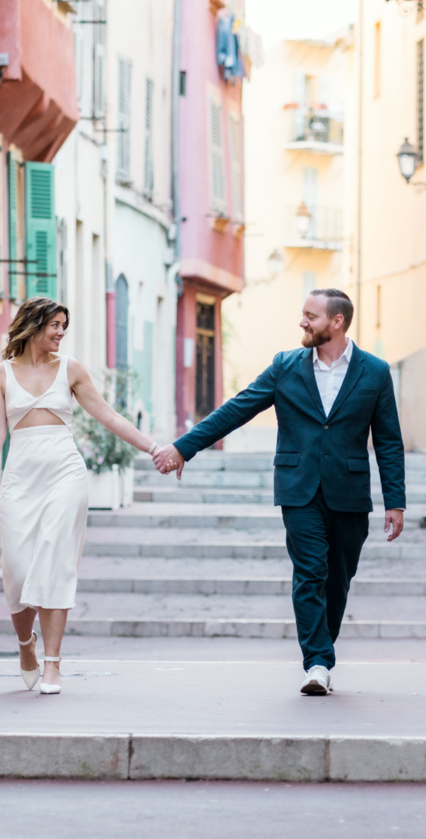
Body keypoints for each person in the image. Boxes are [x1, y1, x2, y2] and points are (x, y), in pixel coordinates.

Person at [152, 289, 405, 695]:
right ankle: (318, 663)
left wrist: (395, 501)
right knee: (310, 572)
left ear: (336, 322)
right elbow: (239, 408)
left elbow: (389, 440)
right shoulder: (285, 366)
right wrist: (184, 447)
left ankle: (322, 650)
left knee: (337, 579)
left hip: (349, 489)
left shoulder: (374, 371)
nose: (302, 322)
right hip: (298, 487)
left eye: (310, 316)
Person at [0, 297, 160, 694]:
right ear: (33, 325)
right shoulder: (3, 373)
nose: (60, 332)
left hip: (65, 474)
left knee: (55, 564)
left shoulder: (70, 370)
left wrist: (153, 448)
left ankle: (54, 664)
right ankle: (27, 646)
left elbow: (108, 415)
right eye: (54, 325)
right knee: (18, 571)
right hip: (20, 479)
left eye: (63, 326)